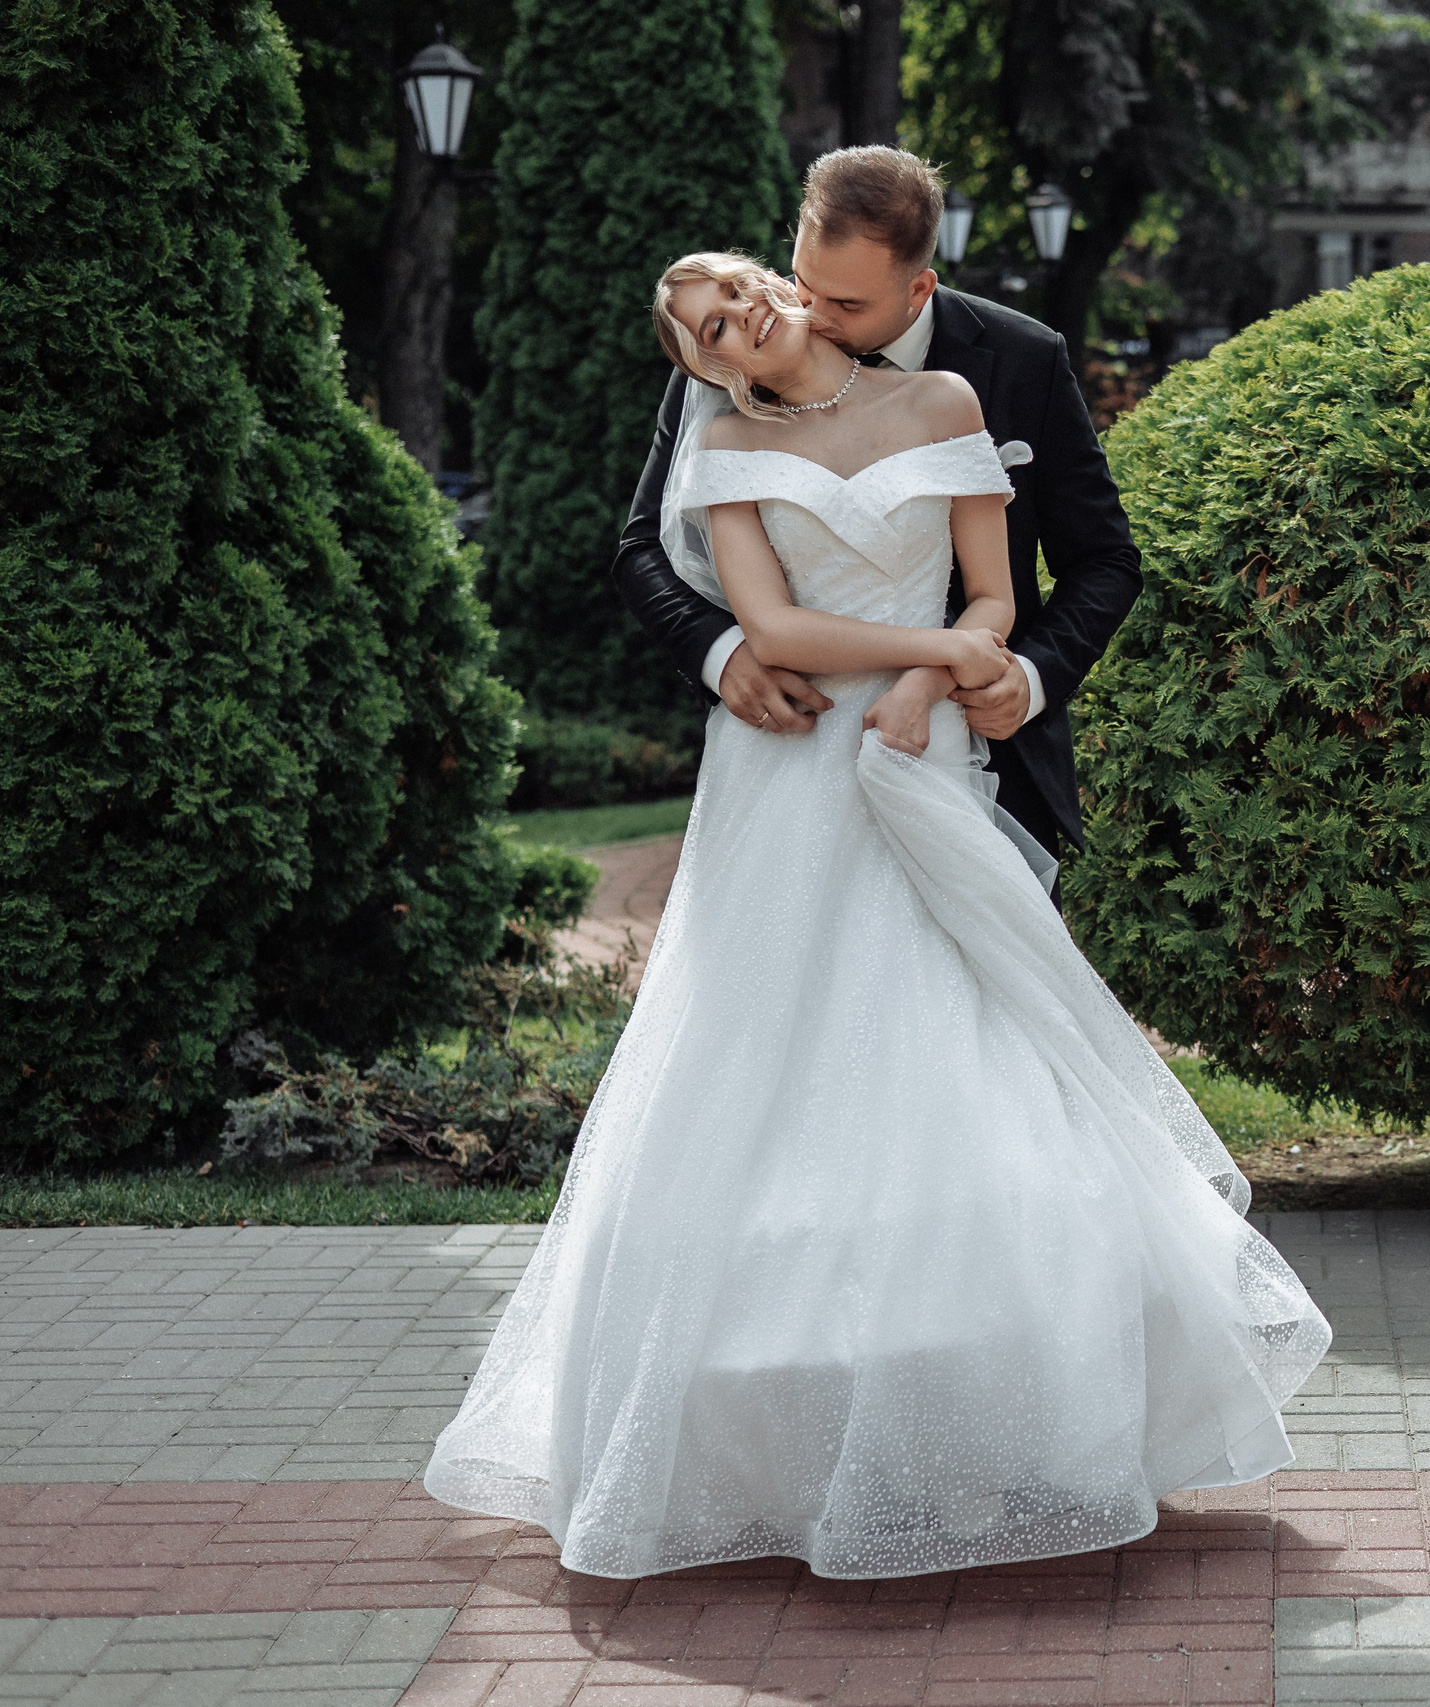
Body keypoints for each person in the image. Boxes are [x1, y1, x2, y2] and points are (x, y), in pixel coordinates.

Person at [419, 238, 1333, 1581]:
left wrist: (947, 676)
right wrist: (931, 650)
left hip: (924, 757)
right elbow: (770, 623)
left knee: (959, 1038)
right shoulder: (723, 437)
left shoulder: (962, 390)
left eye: (733, 293)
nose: (731, 322)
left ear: (782, 283)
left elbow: (1012, 580)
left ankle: (999, 1409)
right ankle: (756, 1437)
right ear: (697, 363)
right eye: (701, 329)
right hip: (784, 769)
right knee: (764, 1050)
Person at [610, 145, 1140, 860]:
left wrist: (1029, 676)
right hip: (797, 746)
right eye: (801, 280)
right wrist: (725, 651)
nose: (808, 312)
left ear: (918, 290)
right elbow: (645, 546)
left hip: (980, 752)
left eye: (848, 304)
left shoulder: (1019, 362)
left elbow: (1104, 559)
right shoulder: (730, 368)